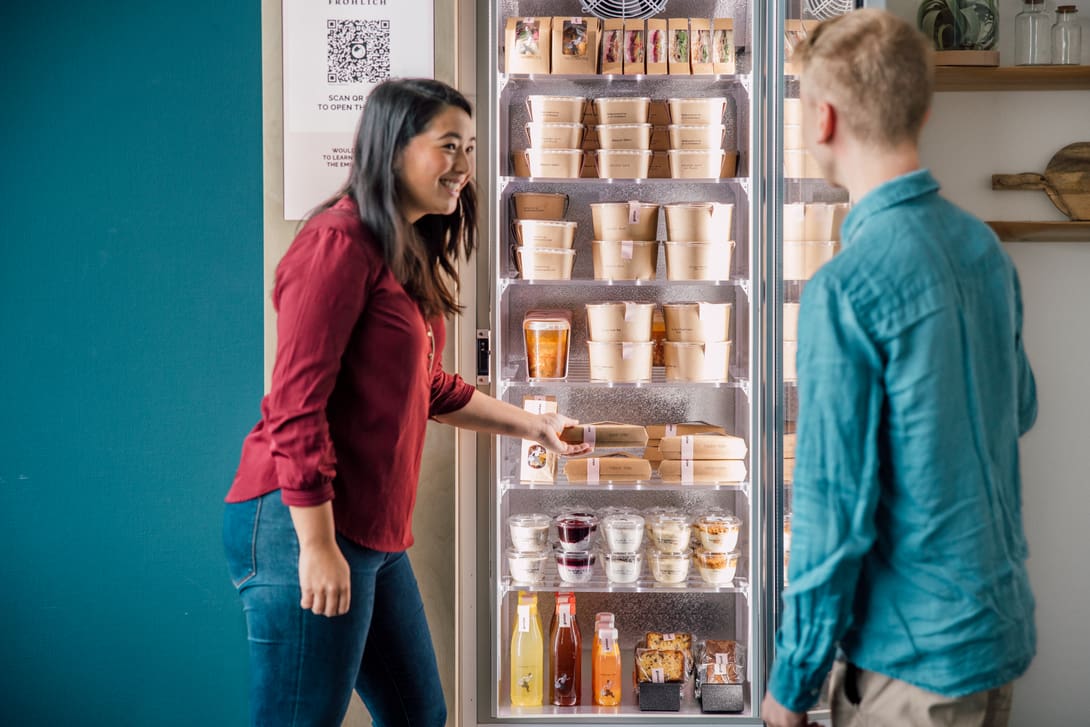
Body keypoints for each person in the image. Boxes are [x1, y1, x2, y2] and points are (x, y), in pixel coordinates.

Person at [223, 78, 591, 726]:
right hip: (300, 523)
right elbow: (294, 405)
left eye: (470, 149)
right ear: (392, 148)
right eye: (448, 145)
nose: (463, 167)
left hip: (373, 534)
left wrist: (536, 425)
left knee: (420, 713)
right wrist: (315, 543)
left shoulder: (401, 251)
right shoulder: (337, 243)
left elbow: (426, 385)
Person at [762, 10, 1038, 727]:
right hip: (994, 636)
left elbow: (833, 517)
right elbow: (1021, 406)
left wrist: (792, 684)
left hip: (909, 665)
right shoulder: (983, 250)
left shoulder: (845, 290)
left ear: (821, 119)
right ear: (922, 106)